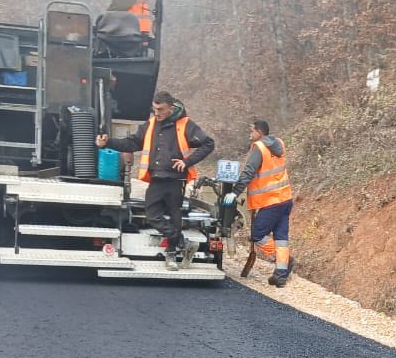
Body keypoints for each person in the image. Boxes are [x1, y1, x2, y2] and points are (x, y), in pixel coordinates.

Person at [97, 91, 214, 269]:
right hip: (156, 178)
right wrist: (108, 142)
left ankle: (171, 255)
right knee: (152, 215)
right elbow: (131, 143)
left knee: (175, 217)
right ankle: (182, 242)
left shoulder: (185, 124)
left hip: (175, 179)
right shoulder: (151, 124)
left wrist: (187, 162)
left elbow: (208, 143)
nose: (156, 113)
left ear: (171, 108)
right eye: (154, 109)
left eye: (160, 109)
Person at [223, 119, 294, 286]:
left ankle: (283, 261)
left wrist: (235, 192)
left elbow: (248, 172)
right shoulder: (279, 144)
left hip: (271, 201)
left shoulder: (259, 148)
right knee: (281, 237)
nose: (250, 134)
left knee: (258, 234)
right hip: (285, 198)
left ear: (259, 132)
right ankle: (281, 274)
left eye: (252, 130)